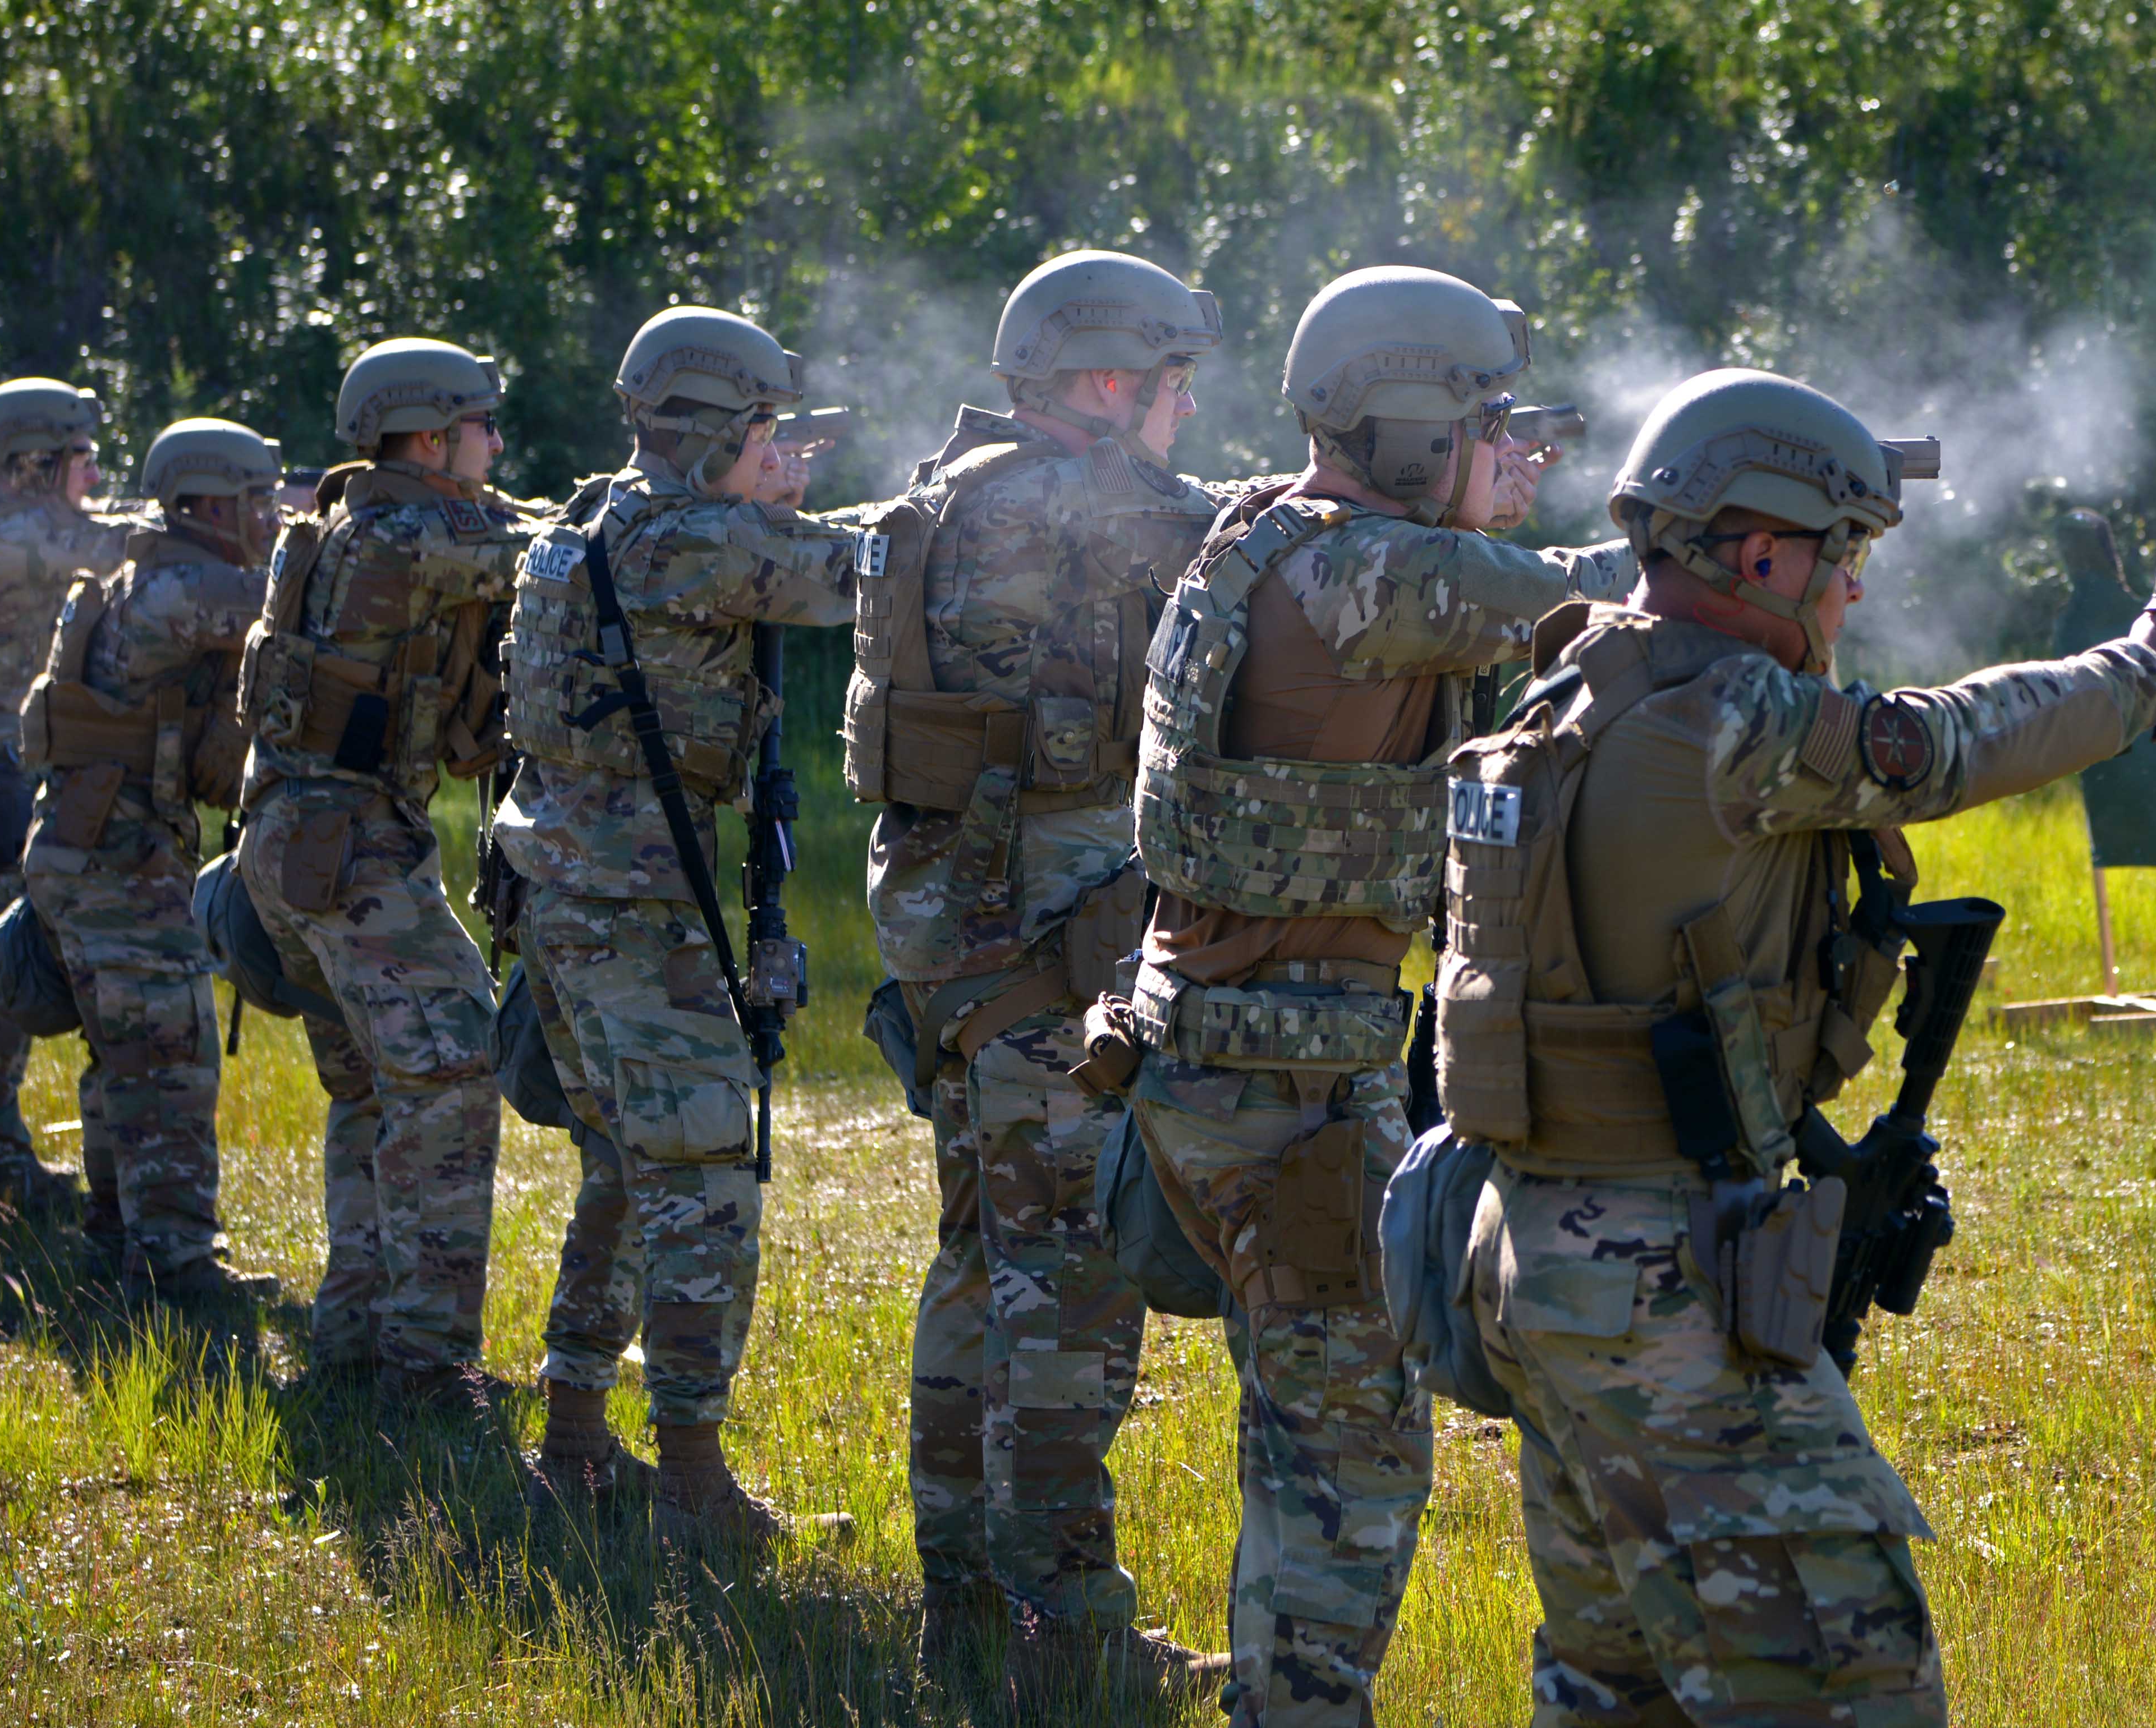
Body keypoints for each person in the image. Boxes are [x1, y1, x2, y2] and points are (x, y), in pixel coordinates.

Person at [1435, 368, 2156, 1726]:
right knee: (1847, 1677)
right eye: (1842, 554)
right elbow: (1937, 746)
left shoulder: (1571, 689)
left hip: (1542, 1261)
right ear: (1757, 552)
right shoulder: (1725, 723)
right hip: (1662, 1287)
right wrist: (2145, 673)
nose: (1851, 593)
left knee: (1613, 1685)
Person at [1120, 265, 1636, 1727]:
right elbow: (1625, 609)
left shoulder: (1266, 534)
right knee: (1350, 1464)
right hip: (1284, 1091)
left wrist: (1492, 486)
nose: (1502, 450)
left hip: (1210, 1055)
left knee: (1298, 1440)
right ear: (1408, 429)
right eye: (1477, 424)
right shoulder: (1383, 575)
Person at [845, 248, 1248, 1701]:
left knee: (976, 1269)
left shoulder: (942, 498)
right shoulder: (1085, 506)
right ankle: (1064, 1632)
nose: (1186, 410)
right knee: (1069, 1292)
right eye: (1171, 382)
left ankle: (961, 1601)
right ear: (1101, 382)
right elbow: (1277, 556)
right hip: (1048, 951)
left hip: (959, 949)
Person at [496, 306, 856, 1547]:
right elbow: (864, 578)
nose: (782, 450)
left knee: (623, 1171)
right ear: (713, 432)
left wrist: (773, 494)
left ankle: (578, 1443)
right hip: (633, 915)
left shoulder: (596, 517)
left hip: (567, 893)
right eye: (766, 430)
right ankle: (693, 1483)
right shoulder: (690, 538)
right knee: (703, 1181)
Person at [231, 339, 532, 1409]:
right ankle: (427, 1366)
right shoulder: (418, 534)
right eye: (486, 427)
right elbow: (555, 552)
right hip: (350, 846)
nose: (499, 446)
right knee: (451, 1075)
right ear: (434, 435)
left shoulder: (346, 520)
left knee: (370, 1087)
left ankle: (354, 1338)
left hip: (289, 839)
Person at [19, 418, 283, 1300]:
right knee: (171, 1062)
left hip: (93, 851)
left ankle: (116, 1238)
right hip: (115, 863)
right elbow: (283, 605)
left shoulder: (148, 571)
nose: (268, 516)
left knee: (123, 1059)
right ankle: (175, 1268)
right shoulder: (180, 589)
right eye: (255, 501)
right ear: (209, 503)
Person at [0, 378, 130, 1212]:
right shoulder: (12, 540)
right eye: (81, 457)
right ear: (39, 460)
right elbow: (126, 548)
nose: (91, 471)